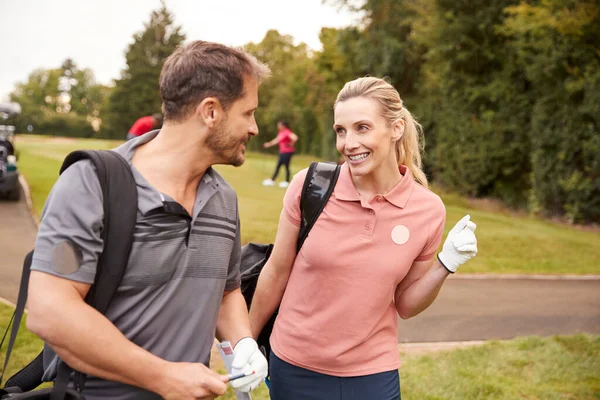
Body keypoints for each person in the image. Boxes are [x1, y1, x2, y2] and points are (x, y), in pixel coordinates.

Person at [26, 40, 271, 400]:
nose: (254, 128)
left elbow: (226, 290)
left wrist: (243, 340)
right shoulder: (91, 184)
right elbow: (51, 311)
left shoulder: (223, 199)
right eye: (248, 112)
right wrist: (162, 377)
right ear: (211, 111)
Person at [249, 77, 478, 399]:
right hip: (295, 365)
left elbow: (407, 305)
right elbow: (276, 271)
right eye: (341, 131)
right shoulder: (310, 185)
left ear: (395, 129)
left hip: (373, 373)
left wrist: (446, 263)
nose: (348, 143)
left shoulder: (428, 210)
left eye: (362, 128)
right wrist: (245, 342)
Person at [261, 120, 298, 188]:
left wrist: (291, 144)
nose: (278, 126)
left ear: (283, 126)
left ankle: (284, 181)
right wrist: (268, 144)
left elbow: (295, 137)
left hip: (287, 152)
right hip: (283, 152)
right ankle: (275, 180)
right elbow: (276, 140)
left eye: (279, 125)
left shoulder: (287, 131)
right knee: (280, 166)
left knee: (284, 166)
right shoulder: (281, 132)